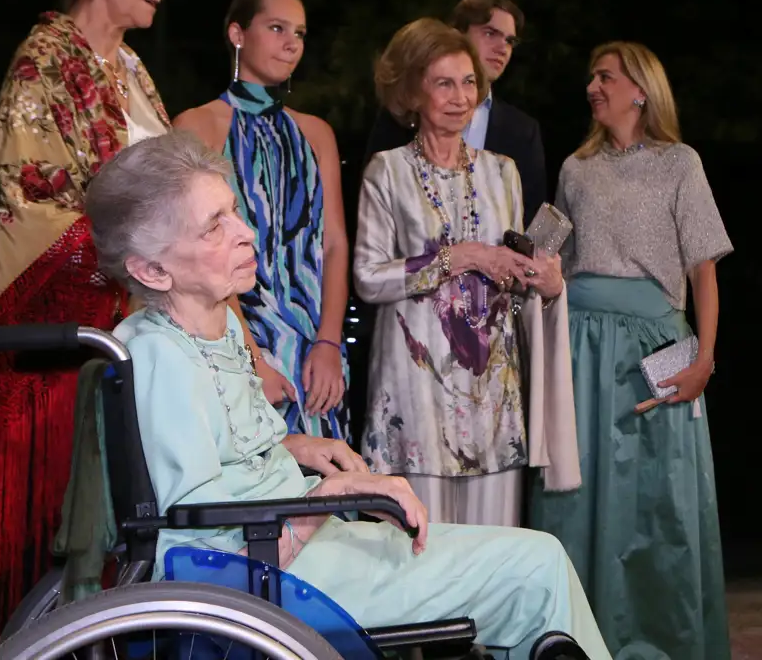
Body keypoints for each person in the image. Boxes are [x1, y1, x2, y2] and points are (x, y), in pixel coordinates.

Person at [85, 130, 612, 660]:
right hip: (275, 577)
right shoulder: (158, 356)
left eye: (234, 213)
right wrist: (332, 496)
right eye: (213, 228)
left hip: (296, 542)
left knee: (531, 563)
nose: (246, 233)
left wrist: (297, 446)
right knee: (536, 567)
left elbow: (218, 449)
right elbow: (196, 543)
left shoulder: (211, 325)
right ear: (152, 269)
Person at [0, 0, 171, 658]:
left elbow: (172, 199)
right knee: (44, 568)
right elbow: (31, 214)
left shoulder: (131, 69)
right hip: (59, 370)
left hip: (135, 345)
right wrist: (153, 262)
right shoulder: (43, 64)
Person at [530, 42, 732, 660]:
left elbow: (703, 273)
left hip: (655, 345)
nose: (593, 86)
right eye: (592, 76)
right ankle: (576, 641)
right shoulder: (575, 168)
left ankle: (662, 641)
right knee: (576, 489)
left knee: (660, 497)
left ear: (640, 89)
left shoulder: (680, 163)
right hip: (582, 345)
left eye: (605, 76)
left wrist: (704, 358)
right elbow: (546, 255)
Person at [354, 18, 579, 526]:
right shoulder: (386, 171)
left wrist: (541, 282)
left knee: (492, 557)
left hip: (492, 397)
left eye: (469, 82)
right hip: (413, 393)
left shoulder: (503, 172)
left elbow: (512, 284)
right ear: (412, 92)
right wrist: (467, 257)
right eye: (443, 83)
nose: (461, 97)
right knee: (420, 557)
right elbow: (368, 278)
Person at [174, 0, 351, 441]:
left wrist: (330, 344)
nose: (292, 42)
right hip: (230, 341)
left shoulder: (317, 134)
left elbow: (334, 245)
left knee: (329, 491)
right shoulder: (197, 125)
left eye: (300, 32)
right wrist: (251, 358)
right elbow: (195, 254)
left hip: (314, 354)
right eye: (276, 27)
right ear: (237, 34)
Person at [363, 0, 546, 224]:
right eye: (490, 33)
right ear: (458, 35)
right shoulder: (407, 109)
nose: (503, 48)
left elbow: (532, 223)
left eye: (510, 41)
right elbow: (372, 214)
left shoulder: (523, 131)